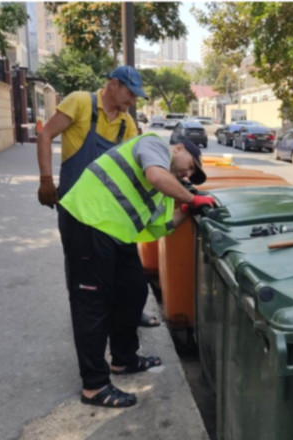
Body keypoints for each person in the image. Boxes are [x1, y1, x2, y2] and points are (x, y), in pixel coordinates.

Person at [59, 131, 214, 408]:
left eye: (192, 174)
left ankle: (124, 359)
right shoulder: (154, 145)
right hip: (87, 221)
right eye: (190, 165)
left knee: (133, 292)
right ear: (178, 148)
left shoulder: (162, 193)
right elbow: (156, 175)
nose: (188, 175)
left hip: (117, 234)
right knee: (92, 307)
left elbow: (160, 228)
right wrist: (191, 199)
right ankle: (94, 386)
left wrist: (187, 211)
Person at [36, 66, 160, 328]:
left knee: (121, 268)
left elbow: (135, 165)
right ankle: (85, 320)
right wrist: (46, 179)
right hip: (75, 206)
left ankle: (128, 314)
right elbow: (45, 134)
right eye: (130, 93)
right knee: (81, 268)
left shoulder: (127, 123)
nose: (132, 101)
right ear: (113, 84)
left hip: (109, 209)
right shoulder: (80, 102)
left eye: (136, 97)